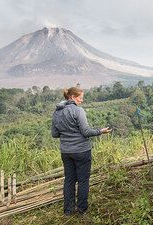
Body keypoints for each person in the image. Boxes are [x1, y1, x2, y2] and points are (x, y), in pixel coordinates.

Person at [51, 87, 111, 216]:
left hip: (66, 151)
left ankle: (68, 211)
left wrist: (67, 133)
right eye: (80, 97)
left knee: (69, 180)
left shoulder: (57, 112)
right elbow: (86, 132)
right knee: (83, 180)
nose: (82, 100)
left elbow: (55, 134)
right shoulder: (78, 111)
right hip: (81, 151)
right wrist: (100, 131)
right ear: (72, 97)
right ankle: (82, 210)